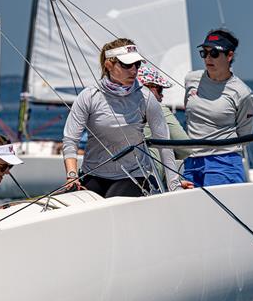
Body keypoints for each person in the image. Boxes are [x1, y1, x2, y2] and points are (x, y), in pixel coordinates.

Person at [63, 38, 182, 197]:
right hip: (93, 174)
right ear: (109, 65)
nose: (133, 70)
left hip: (135, 176)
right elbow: (71, 139)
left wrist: (174, 186)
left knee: (112, 200)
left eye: (137, 65)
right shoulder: (89, 96)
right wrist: (72, 175)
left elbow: (164, 144)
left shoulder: (146, 98)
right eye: (126, 65)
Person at [182, 28, 253, 187]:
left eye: (214, 53)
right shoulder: (191, 79)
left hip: (224, 162)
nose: (208, 58)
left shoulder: (243, 94)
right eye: (205, 53)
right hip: (191, 161)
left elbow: (244, 136)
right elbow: (188, 115)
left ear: (229, 56)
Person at [137, 66, 195, 185]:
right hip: (149, 179)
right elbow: (186, 149)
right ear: (149, 88)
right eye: (160, 90)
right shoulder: (158, 108)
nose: (161, 96)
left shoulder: (121, 105)